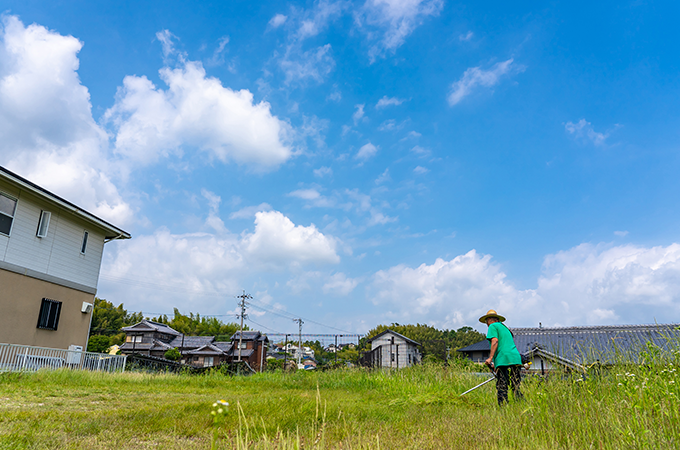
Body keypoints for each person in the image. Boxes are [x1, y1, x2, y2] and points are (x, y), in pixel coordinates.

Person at [480, 309, 523, 405]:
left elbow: (495, 341)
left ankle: (503, 406)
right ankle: (520, 404)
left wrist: (490, 358)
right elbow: (504, 345)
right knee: (515, 385)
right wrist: (495, 364)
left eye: (486, 321)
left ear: (490, 320)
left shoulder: (492, 326)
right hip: (515, 357)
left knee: (502, 385)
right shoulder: (505, 328)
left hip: (503, 358)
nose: (487, 324)